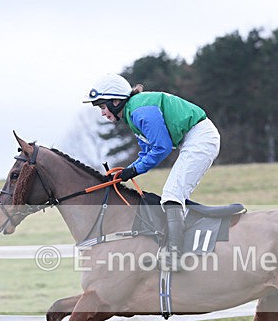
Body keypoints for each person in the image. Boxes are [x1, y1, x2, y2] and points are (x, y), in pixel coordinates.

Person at [83, 73, 221, 271]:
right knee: (173, 194)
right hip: (193, 138)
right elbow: (147, 151)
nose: (102, 113)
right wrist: (126, 171)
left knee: (172, 195)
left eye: (103, 107)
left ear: (115, 101)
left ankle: (174, 255)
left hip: (200, 138)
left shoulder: (140, 112)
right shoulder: (133, 112)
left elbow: (161, 148)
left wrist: (133, 171)